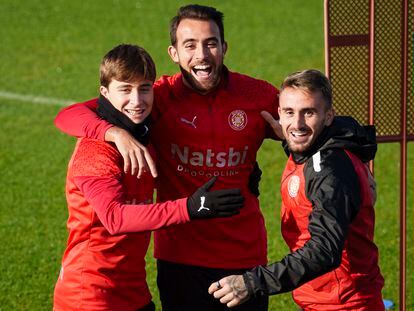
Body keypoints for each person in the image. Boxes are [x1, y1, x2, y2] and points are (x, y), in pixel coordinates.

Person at [54, 5, 281, 310]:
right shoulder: (156, 97)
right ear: (173, 53)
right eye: (190, 45)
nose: (201, 54)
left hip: (243, 258)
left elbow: (308, 118)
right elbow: (68, 115)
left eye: (210, 43)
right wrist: (113, 133)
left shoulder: (256, 96)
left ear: (224, 47)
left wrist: (303, 143)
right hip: (179, 261)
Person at [208, 69, 385, 311]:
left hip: (343, 303)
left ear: (329, 116)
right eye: (290, 112)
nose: (298, 123)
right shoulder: (314, 151)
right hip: (324, 299)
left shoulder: (330, 173)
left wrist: (251, 283)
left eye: (309, 112)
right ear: (279, 113)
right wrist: (290, 139)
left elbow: (324, 250)